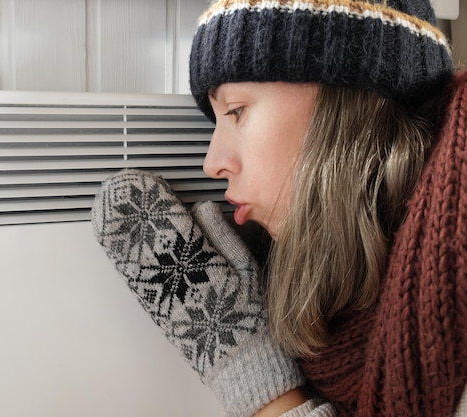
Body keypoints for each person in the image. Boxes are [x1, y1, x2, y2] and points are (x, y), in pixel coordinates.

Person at [92, 0, 467, 415]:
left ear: (348, 107)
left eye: (237, 111)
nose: (212, 162)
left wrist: (255, 378)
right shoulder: (335, 301)